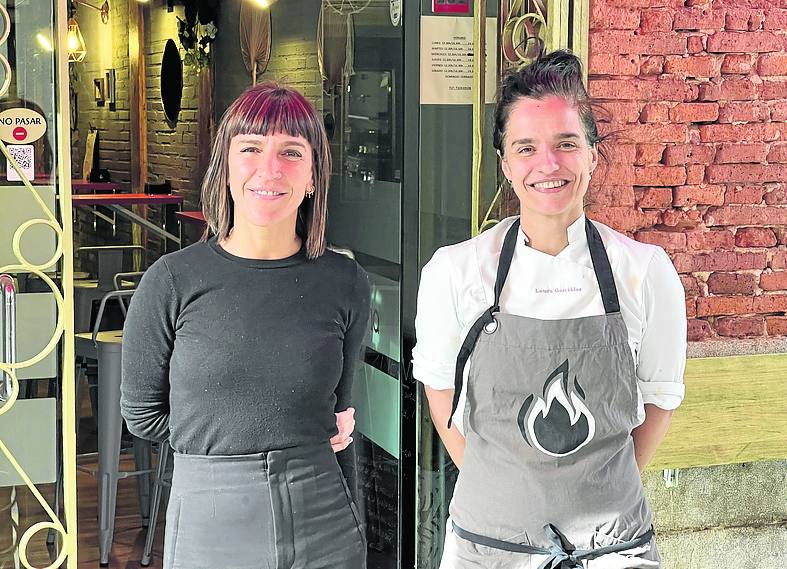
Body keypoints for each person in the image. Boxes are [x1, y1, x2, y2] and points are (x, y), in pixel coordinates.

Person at [413, 50, 686, 569]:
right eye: (526, 147)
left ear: (592, 154)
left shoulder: (646, 272)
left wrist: (592, 499)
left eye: (567, 144)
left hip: (612, 552)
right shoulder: (454, 272)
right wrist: (508, 497)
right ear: (504, 164)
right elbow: (443, 397)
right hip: (487, 551)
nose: (549, 164)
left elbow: (658, 403)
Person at [121, 82, 370, 569]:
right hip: (210, 516)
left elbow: (336, 406)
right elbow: (144, 414)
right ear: (227, 167)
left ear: (314, 176)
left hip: (324, 515)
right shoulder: (172, 281)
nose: (269, 169)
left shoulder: (344, 282)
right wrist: (232, 445)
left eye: (291, 152)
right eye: (251, 148)